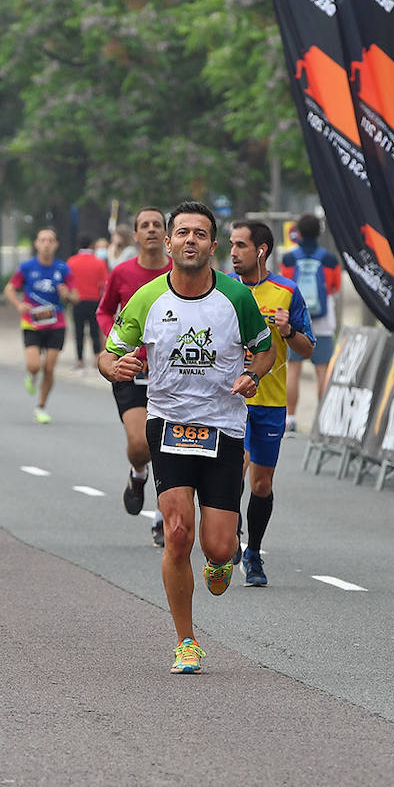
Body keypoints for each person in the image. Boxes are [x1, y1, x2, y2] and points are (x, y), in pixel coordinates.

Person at [99, 200, 274, 674]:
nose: (190, 240)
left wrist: (252, 376)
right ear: (170, 242)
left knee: (218, 547)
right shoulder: (147, 299)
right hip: (168, 424)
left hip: (223, 427)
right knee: (178, 533)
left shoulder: (237, 299)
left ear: (212, 245)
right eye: (183, 233)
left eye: (200, 234)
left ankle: (220, 561)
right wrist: (114, 366)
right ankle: (186, 641)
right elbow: (108, 353)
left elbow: (264, 353)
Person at [229, 219, 315, 587]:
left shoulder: (286, 290)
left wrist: (288, 331)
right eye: (231, 245)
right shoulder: (222, 288)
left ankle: (253, 552)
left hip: (270, 401)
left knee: (261, 484)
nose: (232, 252)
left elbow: (308, 348)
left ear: (261, 250)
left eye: (240, 246)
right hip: (230, 400)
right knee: (233, 470)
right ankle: (229, 530)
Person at [97, 206, 172, 544]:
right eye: (146, 225)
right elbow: (104, 311)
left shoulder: (179, 272)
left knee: (168, 446)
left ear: (167, 236)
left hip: (172, 373)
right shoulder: (123, 272)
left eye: (158, 224)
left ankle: (162, 517)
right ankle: (137, 473)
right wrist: (113, 347)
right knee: (141, 444)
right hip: (131, 371)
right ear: (137, 235)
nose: (152, 230)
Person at [5, 227, 75, 424]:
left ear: (56, 245)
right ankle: (31, 374)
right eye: (42, 240)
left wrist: (67, 295)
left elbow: (75, 296)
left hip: (56, 323)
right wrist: (19, 305)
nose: (46, 244)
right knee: (34, 365)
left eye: (50, 240)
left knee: (50, 368)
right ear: (36, 244)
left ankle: (41, 406)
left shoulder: (63, 269)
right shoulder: (27, 267)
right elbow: (10, 288)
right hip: (32, 323)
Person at [280, 214, 342, 431]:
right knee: (323, 370)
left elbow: (286, 286)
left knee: (293, 368)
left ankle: (291, 418)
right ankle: (322, 421)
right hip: (324, 321)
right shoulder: (330, 259)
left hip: (297, 320)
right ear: (319, 232)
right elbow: (335, 287)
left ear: (299, 231)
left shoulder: (289, 258)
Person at [65, 233, 109, 370]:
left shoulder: (71, 262)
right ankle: (96, 357)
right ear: (91, 245)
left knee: (78, 331)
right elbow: (105, 283)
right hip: (94, 301)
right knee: (94, 331)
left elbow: (67, 282)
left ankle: (79, 359)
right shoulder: (99, 262)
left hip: (77, 301)